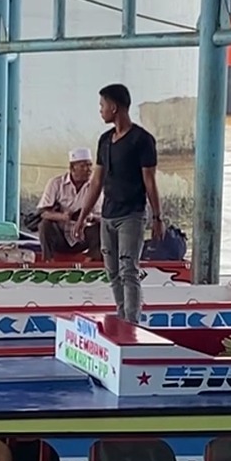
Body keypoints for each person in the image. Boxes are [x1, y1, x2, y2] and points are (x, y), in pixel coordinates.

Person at [75, 83, 164, 324]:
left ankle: (132, 321)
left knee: (129, 270)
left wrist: (157, 217)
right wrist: (82, 217)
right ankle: (122, 314)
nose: (100, 110)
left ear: (114, 107)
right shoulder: (105, 140)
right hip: (108, 215)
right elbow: (96, 182)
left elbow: (150, 181)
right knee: (112, 272)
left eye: (102, 105)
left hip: (132, 215)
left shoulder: (142, 140)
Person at [37, 148, 103, 259]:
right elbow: (43, 212)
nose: (89, 170)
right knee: (45, 225)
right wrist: (62, 216)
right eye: (84, 166)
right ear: (73, 168)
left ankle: (92, 260)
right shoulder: (56, 183)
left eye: (90, 165)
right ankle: (48, 260)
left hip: (82, 235)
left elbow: (100, 215)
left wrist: (88, 217)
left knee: (103, 227)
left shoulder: (95, 187)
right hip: (61, 234)